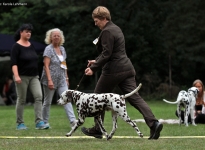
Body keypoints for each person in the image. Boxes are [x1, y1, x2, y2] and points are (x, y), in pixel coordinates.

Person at [81, 6, 163, 140]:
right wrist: (95, 61)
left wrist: (93, 68)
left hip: (113, 70)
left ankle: (97, 129)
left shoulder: (107, 31)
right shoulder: (116, 28)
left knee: (97, 99)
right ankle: (154, 124)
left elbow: (107, 54)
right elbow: (112, 52)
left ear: (104, 18)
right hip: (127, 69)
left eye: (96, 21)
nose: (95, 24)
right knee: (135, 98)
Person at [11, 23, 49, 130]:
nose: (29, 33)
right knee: (21, 99)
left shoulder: (31, 45)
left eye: (30, 32)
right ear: (21, 32)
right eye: (27, 31)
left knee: (38, 96)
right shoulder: (16, 46)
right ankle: (20, 123)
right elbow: (13, 63)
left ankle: (39, 122)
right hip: (21, 77)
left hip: (34, 76)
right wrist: (16, 76)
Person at [41, 28, 76, 128]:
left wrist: (67, 78)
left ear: (61, 37)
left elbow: (64, 64)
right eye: (54, 35)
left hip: (61, 79)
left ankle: (73, 121)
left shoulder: (62, 49)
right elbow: (46, 65)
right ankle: (44, 122)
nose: (56, 37)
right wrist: (49, 80)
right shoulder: (48, 49)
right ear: (50, 38)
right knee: (47, 101)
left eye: (58, 35)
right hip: (50, 79)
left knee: (67, 99)